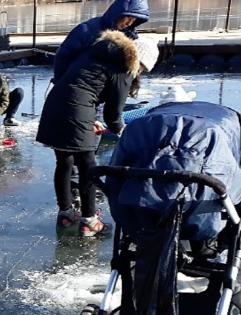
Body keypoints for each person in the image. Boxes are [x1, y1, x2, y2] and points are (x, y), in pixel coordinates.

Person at [36, 32, 158, 237]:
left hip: (55, 104)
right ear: (140, 60)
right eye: (143, 69)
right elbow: (113, 115)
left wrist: (89, 118)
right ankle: (89, 220)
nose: (140, 73)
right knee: (88, 167)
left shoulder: (97, 53)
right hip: (75, 109)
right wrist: (124, 132)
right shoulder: (125, 67)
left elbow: (81, 86)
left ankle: (66, 214)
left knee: (64, 162)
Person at [53, 0, 149, 82]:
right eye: (128, 17)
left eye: (134, 20)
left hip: (106, 84)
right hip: (78, 81)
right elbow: (63, 56)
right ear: (119, 13)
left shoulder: (130, 36)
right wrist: (59, 81)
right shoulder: (87, 30)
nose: (129, 23)